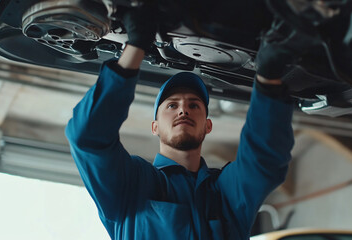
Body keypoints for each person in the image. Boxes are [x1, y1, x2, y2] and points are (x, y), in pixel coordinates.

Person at [66, 5, 304, 240]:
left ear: (208, 126)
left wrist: (268, 76)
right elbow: (87, 138)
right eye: (172, 105)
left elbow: (262, 162)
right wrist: (135, 47)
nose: (183, 110)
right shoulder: (131, 187)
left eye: (194, 105)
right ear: (155, 126)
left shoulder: (223, 193)